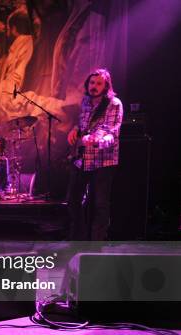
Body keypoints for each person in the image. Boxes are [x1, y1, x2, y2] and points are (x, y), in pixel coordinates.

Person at [66, 68, 122, 240]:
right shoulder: (85, 101)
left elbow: (112, 132)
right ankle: (78, 239)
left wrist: (96, 140)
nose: (94, 86)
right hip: (82, 159)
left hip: (103, 161)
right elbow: (82, 123)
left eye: (99, 84)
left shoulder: (114, 104)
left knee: (100, 204)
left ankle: (97, 243)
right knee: (73, 200)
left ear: (106, 86)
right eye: (92, 83)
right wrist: (75, 130)